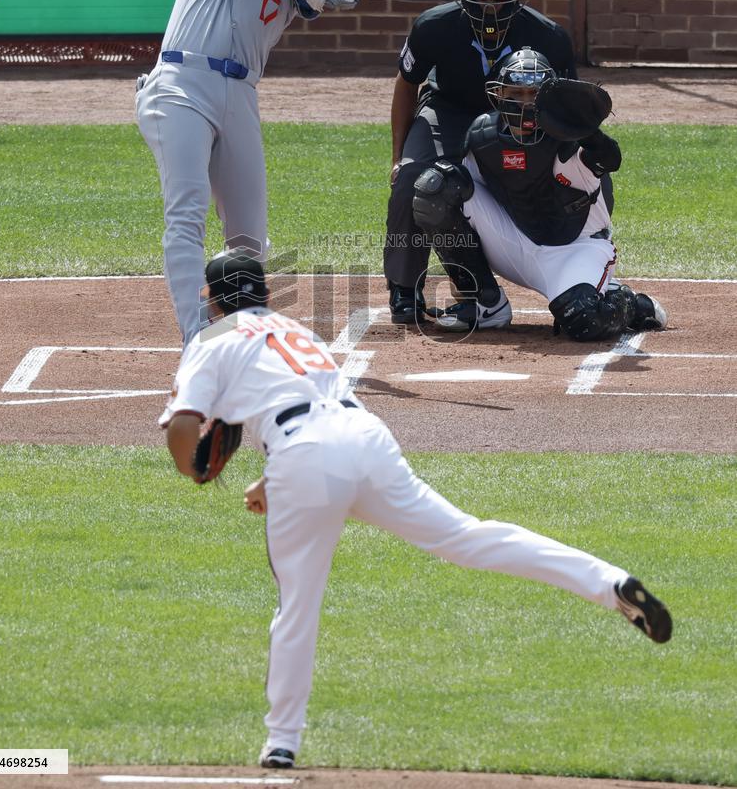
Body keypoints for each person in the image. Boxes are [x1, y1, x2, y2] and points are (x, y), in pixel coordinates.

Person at [160, 250, 673, 770]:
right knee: (469, 537)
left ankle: (281, 744)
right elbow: (312, 408)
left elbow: (186, 427)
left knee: (298, 604)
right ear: (265, 294)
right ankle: (609, 584)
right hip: (364, 439)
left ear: (211, 297)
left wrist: (195, 470)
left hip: (304, 458)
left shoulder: (212, 339)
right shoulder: (294, 332)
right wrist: (272, 480)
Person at [136, 0, 360, 345]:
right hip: (181, 84)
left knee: (250, 238)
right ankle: (196, 337)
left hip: (240, 95)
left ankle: (245, 333)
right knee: (187, 212)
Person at [385, 0, 584, 327]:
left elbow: (567, 102)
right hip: (450, 109)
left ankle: (580, 278)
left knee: (569, 179)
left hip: (520, 117)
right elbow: (406, 84)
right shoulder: (433, 25)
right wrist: (397, 157)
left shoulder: (550, 36)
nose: (490, 9)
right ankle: (404, 287)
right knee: (414, 178)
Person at [412, 47, 668, 338]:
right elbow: (461, 199)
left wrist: (588, 131)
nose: (524, 103)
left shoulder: (571, 139)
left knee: (583, 320)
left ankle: (631, 304)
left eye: (533, 94)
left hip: (576, 249)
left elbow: (610, 158)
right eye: (515, 94)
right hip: (514, 242)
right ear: (499, 95)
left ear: (548, 98)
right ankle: (484, 303)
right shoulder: (482, 136)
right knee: (435, 186)